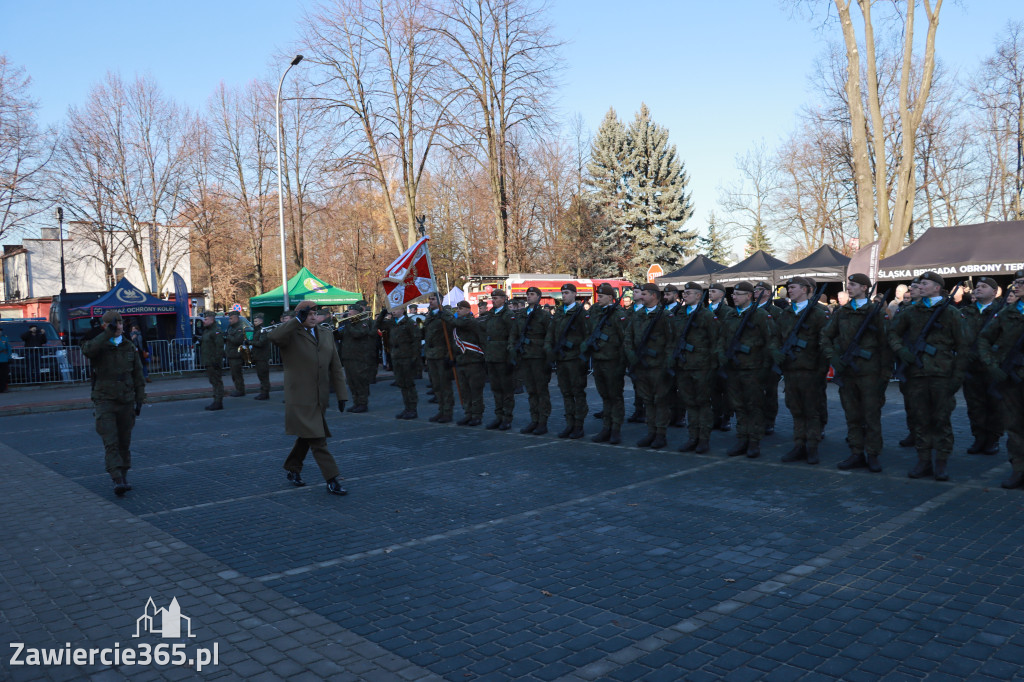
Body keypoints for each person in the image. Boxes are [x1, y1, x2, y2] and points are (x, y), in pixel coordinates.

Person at [888, 271, 968, 481]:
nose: (920, 287)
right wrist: (902, 351)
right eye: (919, 284)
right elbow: (892, 333)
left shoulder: (950, 313)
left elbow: (964, 346)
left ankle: (941, 461)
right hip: (916, 374)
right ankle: (923, 460)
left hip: (942, 376)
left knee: (941, 420)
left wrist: (957, 378)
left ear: (937, 288)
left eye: (925, 284)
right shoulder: (911, 311)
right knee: (920, 419)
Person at [267, 301, 349, 495]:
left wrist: (342, 394)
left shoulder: (327, 334)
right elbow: (273, 336)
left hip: (320, 398)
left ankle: (292, 468)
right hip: (300, 398)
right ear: (300, 316)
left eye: (314, 313)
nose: (312, 317)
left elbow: (336, 367)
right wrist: (297, 319)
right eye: (307, 314)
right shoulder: (290, 334)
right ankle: (332, 479)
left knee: (307, 436)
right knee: (318, 440)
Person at [822, 274, 891, 473]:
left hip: (870, 373)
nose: (849, 288)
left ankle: (873, 454)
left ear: (864, 287)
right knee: (852, 415)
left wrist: (885, 374)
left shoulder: (876, 311)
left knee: (871, 416)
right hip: (847, 372)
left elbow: (886, 344)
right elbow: (826, 336)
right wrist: (834, 359)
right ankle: (856, 452)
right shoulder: (841, 311)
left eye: (852, 285)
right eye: (848, 284)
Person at [81, 311, 146, 496]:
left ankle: (124, 475)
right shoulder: (99, 343)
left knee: (124, 442)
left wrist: (139, 399)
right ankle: (116, 477)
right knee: (111, 442)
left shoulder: (128, 346)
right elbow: (88, 350)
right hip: (104, 399)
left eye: (120, 323)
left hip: (126, 399)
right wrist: (106, 334)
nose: (119, 327)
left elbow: (138, 375)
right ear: (106, 326)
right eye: (115, 324)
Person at [717, 281, 778, 459]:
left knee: (754, 407)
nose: (733, 297)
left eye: (738, 294)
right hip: (734, 369)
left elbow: (771, 341)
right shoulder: (730, 316)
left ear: (749, 296)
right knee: (739, 407)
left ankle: (754, 441)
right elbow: (721, 338)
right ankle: (742, 438)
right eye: (733, 294)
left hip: (753, 369)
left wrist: (765, 369)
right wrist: (720, 354)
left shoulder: (760, 315)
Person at [774, 277, 830, 465]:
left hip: (811, 371)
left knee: (812, 411)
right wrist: (776, 354)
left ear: (806, 289)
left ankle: (812, 447)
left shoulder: (817, 314)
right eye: (788, 288)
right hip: (791, 370)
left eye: (793, 287)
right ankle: (799, 444)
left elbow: (825, 343)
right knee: (796, 410)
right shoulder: (786, 314)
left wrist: (820, 371)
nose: (789, 290)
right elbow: (776, 337)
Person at [978, 270, 1024, 489]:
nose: (1016, 286)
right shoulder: (1006, 313)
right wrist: (992, 365)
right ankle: (1018, 469)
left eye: (1021, 283)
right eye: (1015, 283)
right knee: (1014, 426)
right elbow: (984, 339)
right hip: (1011, 380)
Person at [625, 283, 673, 449]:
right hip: (641, 366)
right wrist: (631, 356)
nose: (641, 296)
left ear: (653, 296)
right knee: (648, 401)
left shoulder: (665, 315)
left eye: (644, 294)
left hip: (658, 367)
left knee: (660, 402)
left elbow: (671, 342)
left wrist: (667, 364)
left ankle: (661, 434)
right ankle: (651, 432)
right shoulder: (638, 316)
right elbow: (628, 338)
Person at [960, 277, 1004, 455]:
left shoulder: (1002, 312)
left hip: (992, 367)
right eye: (977, 286)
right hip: (971, 366)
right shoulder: (965, 311)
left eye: (984, 287)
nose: (978, 289)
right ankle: (979, 438)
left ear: (994, 292)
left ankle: (993, 439)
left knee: (995, 405)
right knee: (975, 405)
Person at [582, 283, 628, 444]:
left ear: (610, 297)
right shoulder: (595, 310)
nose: (598, 298)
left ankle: (616, 429)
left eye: (601, 296)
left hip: (613, 362)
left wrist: (622, 364)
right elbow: (588, 329)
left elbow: (625, 340)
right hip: (598, 360)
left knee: (615, 396)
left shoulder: (618, 313)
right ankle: (606, 427)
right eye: (598, 296)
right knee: (605, 396)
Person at [546, 283, 590, 439]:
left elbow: (587, 335)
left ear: (574, 294)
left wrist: (581, 353)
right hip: (561, 359)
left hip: (575, 359)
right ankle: (569, 423)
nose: (563, 295)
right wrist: (549, 349)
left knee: (577, 392)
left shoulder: (580, 313)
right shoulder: (559, 312)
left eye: (566, 293)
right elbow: (551, 332)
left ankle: (579, 425)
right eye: (562, 293)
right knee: (566, 393)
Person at [510, 286, 552, 435]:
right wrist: (512, 348)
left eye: (532, 294)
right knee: (531, 391)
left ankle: (542, 421)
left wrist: (548, 356)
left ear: (539, 297)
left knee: (541, 390)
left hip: (539, 358)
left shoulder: (543, 316)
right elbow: (514, 334)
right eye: (527, 294)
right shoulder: (521, 314)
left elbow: (550, 336)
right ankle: (534, 419)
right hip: (525, 357)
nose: (529, 297)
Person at [444, 301, 486, 426]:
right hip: (461, 361)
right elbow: (453, 343)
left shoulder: (471, 321)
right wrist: (450, 356)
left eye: (461, 308)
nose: (458, 310)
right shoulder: (457, 326)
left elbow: (457, 322)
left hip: (474, 362)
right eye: (457, 308)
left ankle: (477, 415)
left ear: (468, 310)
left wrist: (444, 315)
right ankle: (468, 413)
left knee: (475, 390)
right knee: (465, 391)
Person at [480, 289, 516, 430]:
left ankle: (507, 418)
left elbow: (512, 336)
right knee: (495, 388)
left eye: (496, 298)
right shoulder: (491, 315)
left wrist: (510, 357)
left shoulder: (508, 315)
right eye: (492, 298)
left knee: (506, 389)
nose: (493, 300)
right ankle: (498, 416)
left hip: (503, 357)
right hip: (491, 356)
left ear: (504, 299)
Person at [377, 305, 420, 419]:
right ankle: (407, 408)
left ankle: (413, 409)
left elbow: (416, 341)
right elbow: (378, 326)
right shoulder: (392, 322)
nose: (393, 311)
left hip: (407, 357)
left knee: (409, 384)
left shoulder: (409, 323)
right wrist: (383, 313)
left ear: (402, 310)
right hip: (396, 357)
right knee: (402, 384)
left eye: (396, 309)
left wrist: (414, 359)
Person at [754, 281, 783, 435]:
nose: (755, 292)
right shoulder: (751, 310)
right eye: (755, 290)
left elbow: (779, 335)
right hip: (753, 359)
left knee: (770, 392)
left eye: (759, 290)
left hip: (769, 358)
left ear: (767, 292)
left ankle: (769, 421)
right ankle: (757, 420)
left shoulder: (776, 311)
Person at [335, 303, 376, 412]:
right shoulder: (348, 323)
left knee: (360, 380)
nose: (349, 312)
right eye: (349, 311)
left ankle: (363, 403)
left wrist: (348, 325)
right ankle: (356, 402)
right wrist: (340, 327)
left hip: (359, 356)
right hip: (348, 356)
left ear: (357, 312)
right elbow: (339, 335)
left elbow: (358, 334)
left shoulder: (363, 323)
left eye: (351, 311)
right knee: (351, 381)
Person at [707, 282, 736, 433]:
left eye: (713, 291)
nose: (710, 294)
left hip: (723, 354)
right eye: (709, 291)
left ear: (722, 294)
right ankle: (716, 416)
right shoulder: (704, 310)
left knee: (726, 389)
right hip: (708, 355)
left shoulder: (728, 311)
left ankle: (726, 417)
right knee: (713, 390)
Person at [422, 293, 455, 423]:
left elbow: (452, 334)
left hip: (442, 354)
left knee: (444, 385)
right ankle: (441, 410)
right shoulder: (429, 315)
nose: (431, 301)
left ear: (440, 300)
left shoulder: (445, 314)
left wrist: (450, 354)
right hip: (431, 354)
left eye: (433, 299)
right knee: (436, 385)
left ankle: (447, 412)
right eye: (430, 299)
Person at [199, 311, 225, 411]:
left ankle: (218, 402)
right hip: (208, 361)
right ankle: (216, 400)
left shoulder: (216, 331)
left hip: (213, 361)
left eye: (206, 319)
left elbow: (219, 348)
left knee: (217, 381)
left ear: (212, 320)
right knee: (213, 381)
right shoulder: (207, 330)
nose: (204, 321)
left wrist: (216, 361)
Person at [224, 310, 247, 397]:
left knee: (237, 374)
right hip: (231, 354)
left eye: (231, 318)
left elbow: (237, 340)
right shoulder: (231, 328)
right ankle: (238, 389)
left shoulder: (240, 328)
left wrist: (228, 336)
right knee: (234, 374)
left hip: (237, 355)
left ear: (236, 318)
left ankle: (240, 390)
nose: (229, 320)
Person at [251, 313, 273, 400]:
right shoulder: (257, 330)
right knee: (261, 376)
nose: (254, 322)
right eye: (254, 321)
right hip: (258, 356)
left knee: (263, 376)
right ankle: (263, 392)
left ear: (260, 321)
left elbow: (261, 343)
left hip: (262, 357)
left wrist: (251, 342)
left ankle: (265, 393)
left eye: (256, 321)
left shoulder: (263, 330)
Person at [0, 328, 11, 392]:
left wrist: (9, 357)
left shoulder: (5, 338)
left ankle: (3, 388)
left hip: (4, 359)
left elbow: (9, 348)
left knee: (4, 374)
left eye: (0, 331)